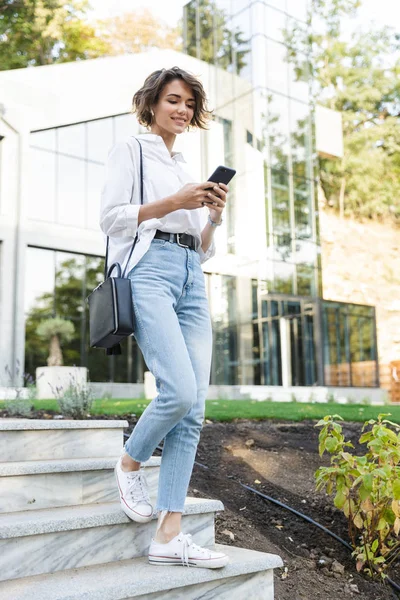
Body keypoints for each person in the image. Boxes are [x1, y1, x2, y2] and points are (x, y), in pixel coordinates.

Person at [100, 66, 230, 569]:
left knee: (194, 408)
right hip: (149, 274)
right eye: (174, 100)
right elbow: (111, 217)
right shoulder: (131, 150)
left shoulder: (182, 164)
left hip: (190, 276)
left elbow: (200, 249)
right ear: (152, 102)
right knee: (177, 390)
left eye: (190, 104)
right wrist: (174, 202)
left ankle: (169, 536)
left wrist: (213, 216)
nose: (182, 110)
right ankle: (130, 460)